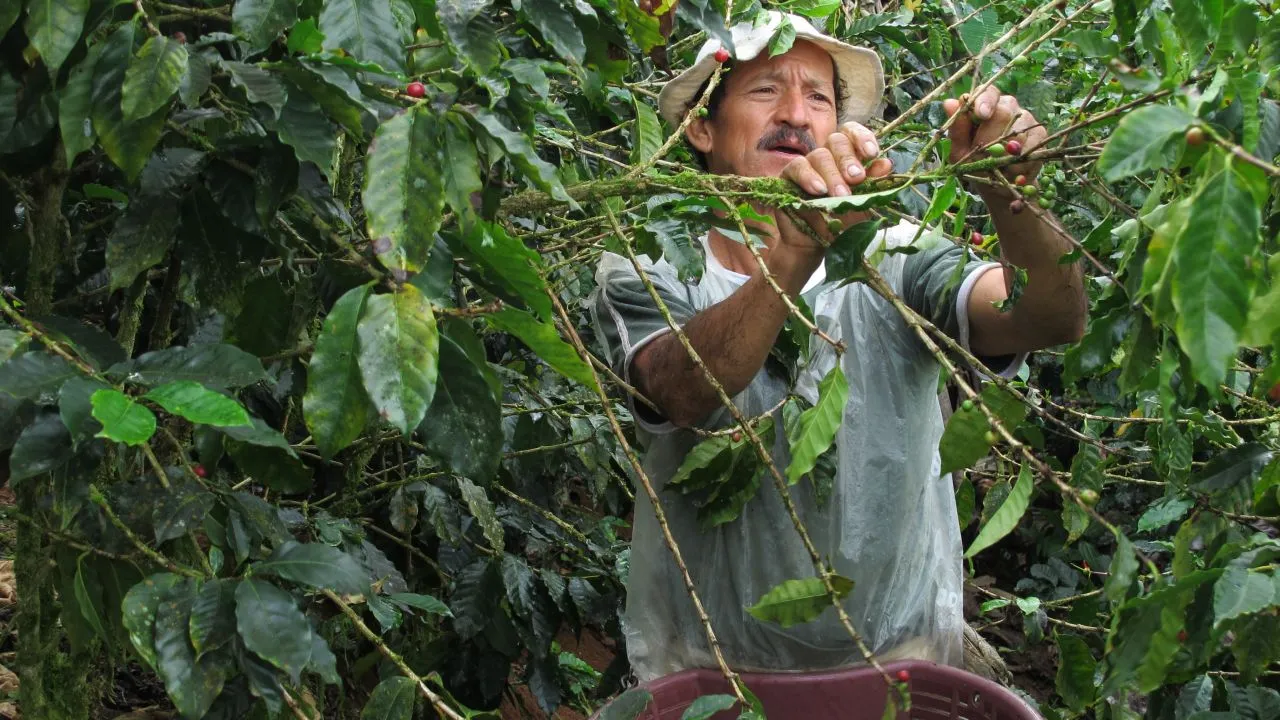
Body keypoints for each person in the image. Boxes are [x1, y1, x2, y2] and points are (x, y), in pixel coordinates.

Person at [589, 11, 1087, 682]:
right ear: (701, 127)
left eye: (818, 97)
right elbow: (681, 389)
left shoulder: (895, 256)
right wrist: (793, 254)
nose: (795, 114)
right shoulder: (646, 263)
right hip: (711, 668)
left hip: (901, 661)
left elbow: (1049, 317)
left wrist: (1013, 196)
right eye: (766, 89)